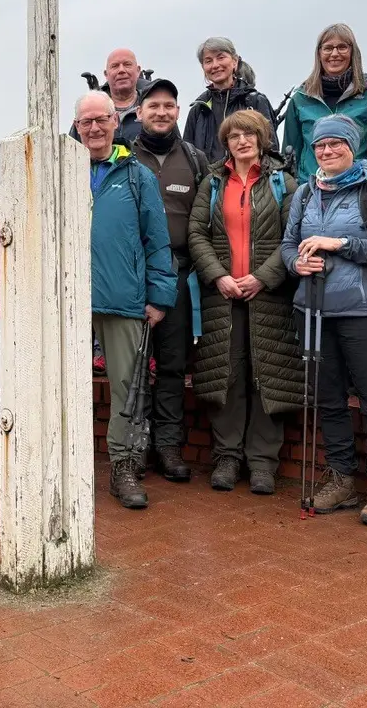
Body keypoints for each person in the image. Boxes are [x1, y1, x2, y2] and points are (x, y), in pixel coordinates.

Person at [282, 115, 367, 524]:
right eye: (320, 146)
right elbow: (287, 245)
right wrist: (296, 264)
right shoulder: (303, 193)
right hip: (313, 310)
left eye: (336, 144)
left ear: (353, 148)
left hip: (364, 312)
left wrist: (340, 243)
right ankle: (340, 478)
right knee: (327, 399)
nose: (327, 151)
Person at [187, 109, 300, 495]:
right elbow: (196, 233)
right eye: (234, 135)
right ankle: (227, 456)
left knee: (266, 373)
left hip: (269, 295)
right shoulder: (212, 183)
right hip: (223, 296)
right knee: (227, 374)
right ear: (226, 142)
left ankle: (263, 462)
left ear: (262, 138)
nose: (242, 141)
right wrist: (218, 275)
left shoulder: (283, 183)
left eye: (249, 134)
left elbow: (293, 236)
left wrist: (263, 277)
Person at [76, 91, 175, 509]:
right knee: (64, 387)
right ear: (77, 128)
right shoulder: (62, 172)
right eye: (86, 122)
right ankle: (65, 464)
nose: (95, 128)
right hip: (70, 301)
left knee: (128, 390)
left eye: (102, 120)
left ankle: (125, 468)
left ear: (116, 122)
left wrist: (158, 296)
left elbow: (157, 241)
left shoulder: (138, 176)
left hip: (124, 300)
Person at [129, 78, 205, 483]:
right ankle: (136, 445)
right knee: (135, 366)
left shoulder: (194, 159)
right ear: (138, 112)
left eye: (169, 106)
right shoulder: (124, 157)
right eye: (153, 105)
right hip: (132, 276)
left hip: (179, 276)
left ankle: (168, 446)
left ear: (178, 112)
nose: (161, 112)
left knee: (173, 366)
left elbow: (206, 218)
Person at [282, 24, 367, 183]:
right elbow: (290, 151)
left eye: (342, 47)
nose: (334, 54)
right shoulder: (301, 98)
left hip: (359, 185)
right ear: (319, 53)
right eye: (328, 48)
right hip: (312, 188)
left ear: (353, 52)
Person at [183, 37, 278, 164]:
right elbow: (188, 156)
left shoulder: (254, 101)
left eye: (221, 57)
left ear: (235, 61)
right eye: (208, 61)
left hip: (251, 180)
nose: (215, 65)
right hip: (209, 182)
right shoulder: (199, 109)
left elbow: (271, 150)